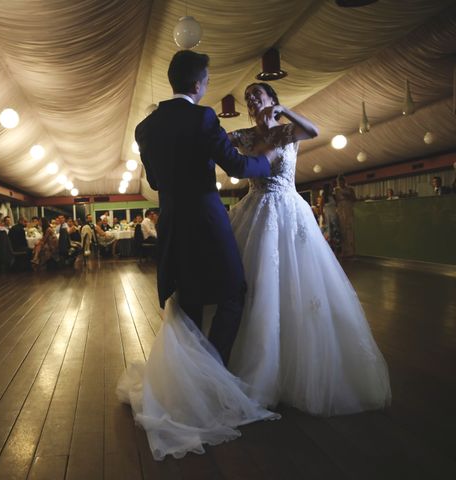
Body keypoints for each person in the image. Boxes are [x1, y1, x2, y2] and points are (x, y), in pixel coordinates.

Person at [117, 50, 279, 460]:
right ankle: (213, 379)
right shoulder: (204, 118)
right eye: (206, 80)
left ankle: (189, 386)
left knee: (187, 303)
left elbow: (153, 179)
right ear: (198, 84)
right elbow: (238, 167)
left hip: (172, 222)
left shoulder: (144, 127)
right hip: (207, 220)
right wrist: (267, 161)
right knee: (233, 293)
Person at [225, 82, 390, 417]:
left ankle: (296, 367)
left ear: (272, 99)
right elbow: (219, 146)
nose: (252, 101)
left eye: (258, 95)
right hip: (255, 209)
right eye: (248, 99)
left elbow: (313, 130)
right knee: (257, 284)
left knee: (297, 283)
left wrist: (283, 111)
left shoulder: (288, 131)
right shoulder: (243, 135)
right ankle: (253, 363)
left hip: (287, 209)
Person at [334, 174, 357, 258]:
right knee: (342, 230)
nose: (340, 183)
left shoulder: (350, 189)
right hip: (340, 210)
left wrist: (348, 196)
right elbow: (335, 201)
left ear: (344, 181)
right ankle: (344, 251)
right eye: (339, 182)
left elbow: (355, 199)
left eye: (342, 181)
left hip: (348, 208)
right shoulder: (336, 190)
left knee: (350, 229)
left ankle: (352, 251)